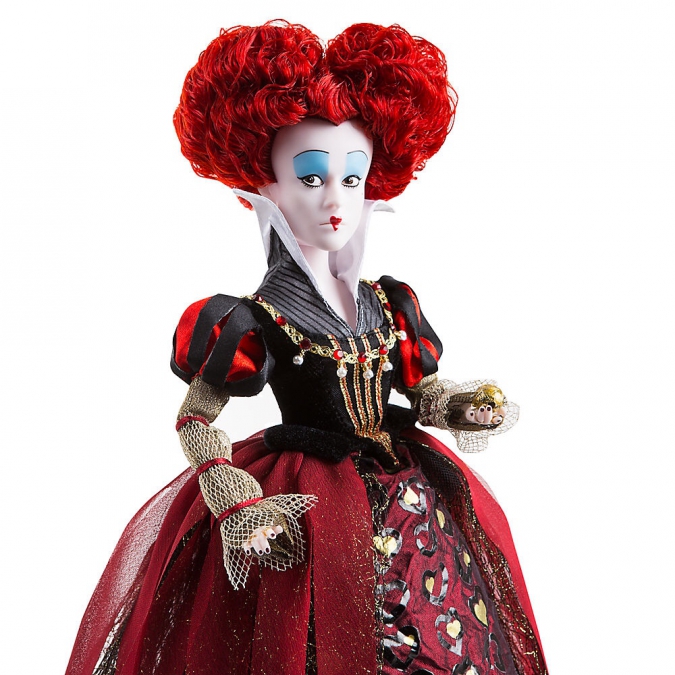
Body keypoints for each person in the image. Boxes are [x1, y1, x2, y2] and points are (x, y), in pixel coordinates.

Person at [66, 21, 547, 675]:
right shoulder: (251, 319)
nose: (335, 200)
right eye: (312, 176)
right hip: (306, 504)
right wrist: (235, 498)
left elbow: (421, 390)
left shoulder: (389, 302)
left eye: (352, 178)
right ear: (266, 183)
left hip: (407, 497)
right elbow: (196, 417)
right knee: (304, 633)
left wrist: (459, 405)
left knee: (438, 627)